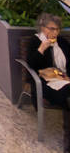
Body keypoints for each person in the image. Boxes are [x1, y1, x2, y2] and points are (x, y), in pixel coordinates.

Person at [26, 13, 70, 152]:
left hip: (66, 81)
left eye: (57, 29)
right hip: (47, 84)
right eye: (51, 29)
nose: (54, 32)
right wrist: (42, 49)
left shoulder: (62, 42)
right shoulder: (35, 42)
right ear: (42, 27)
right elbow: (31, 65)